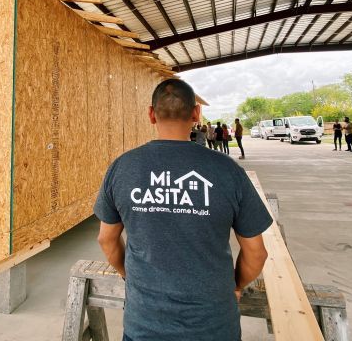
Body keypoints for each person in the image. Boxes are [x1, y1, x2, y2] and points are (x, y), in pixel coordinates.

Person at [94, 79, 272, 341]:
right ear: (196, 114)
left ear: (151, 114)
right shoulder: (228, 171)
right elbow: (256, 252)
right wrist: (235, 285)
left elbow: (106, 240)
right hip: (214, 327)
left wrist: (128, 276)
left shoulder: (122, 168)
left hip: (144, 326)